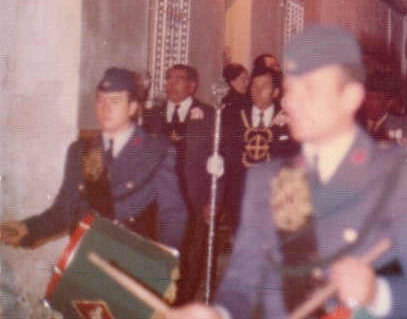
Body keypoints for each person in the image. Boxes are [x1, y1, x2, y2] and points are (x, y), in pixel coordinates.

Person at [167, 25, 407, 319]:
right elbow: (242, 286)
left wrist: (376, 292)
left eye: (309, 89)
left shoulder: (397, 174)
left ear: (350, 97)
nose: (291, 102)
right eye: (291, 89)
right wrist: (218, 313)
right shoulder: (267, 178)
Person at [0, 68, 187, 250]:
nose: (105, 108)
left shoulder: (155, 151)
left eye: (114, 102)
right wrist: (27, 229)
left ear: (133, 107)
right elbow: (63, 211)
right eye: (100, 101)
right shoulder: (80, 151)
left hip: (132, 261)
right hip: (86, 259)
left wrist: (160, 265)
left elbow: (173, 215)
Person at [142, 64, 218, 303]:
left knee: (191, 257)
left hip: (194, 198)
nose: (171, 84)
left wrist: (213, 200)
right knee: (159, 253)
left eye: (178, 79)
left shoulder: (210, 115)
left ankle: (182, 306)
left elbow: (221, 160)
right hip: (159, 199)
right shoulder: (152, 115)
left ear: (192, 85)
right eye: (168, 78)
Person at [217, 66, 299, 232]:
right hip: (241, 193)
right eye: (254, 86)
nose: (257, 90)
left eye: (264, 86)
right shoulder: (235, 117)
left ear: (276, 92)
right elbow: (226, 152)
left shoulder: (290, 120)